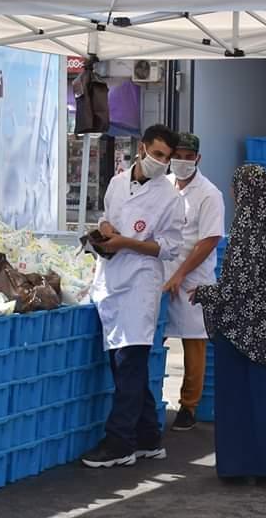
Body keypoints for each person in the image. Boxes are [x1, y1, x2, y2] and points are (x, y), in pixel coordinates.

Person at [190, 164, 266, 485]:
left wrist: (203, 293)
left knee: (245, 401)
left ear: (241, 191)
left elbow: (238, 287)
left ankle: (245, 466)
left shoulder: (246, 229)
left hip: (248, 338)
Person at [82, 124, 185, 468]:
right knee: (126, 366)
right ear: (142, 148)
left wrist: (127, 242)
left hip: (140, 284)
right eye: (157, 154)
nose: (161, 162)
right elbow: (107, 217)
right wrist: (106, 230)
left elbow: (170, 247)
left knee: (129, 366)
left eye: (166, 158)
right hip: (111, 279)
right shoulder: (116, 183)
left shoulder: (170, 197)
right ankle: (148, 437)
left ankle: (119, 442)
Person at [162, 132, 224, 432]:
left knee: (193, 343)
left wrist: (180, 274)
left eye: (188, 157)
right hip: (161, 275)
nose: (182, 162)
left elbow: (209, 240)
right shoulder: (163, 186)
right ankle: (152, 396)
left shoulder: (209, 194)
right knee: (154, 336)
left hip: (192, 280)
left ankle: (188, 406)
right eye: (178, 157)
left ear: (198, 159)